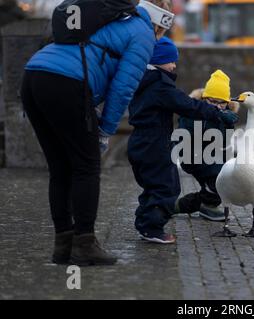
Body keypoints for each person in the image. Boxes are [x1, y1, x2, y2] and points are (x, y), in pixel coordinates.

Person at [20, 0, 173, 266]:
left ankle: (63, 246)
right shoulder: (143, 32)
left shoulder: (112, 18)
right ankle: (85, 245)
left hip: (34, 74)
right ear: (162, 20)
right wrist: (105, 130)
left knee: (60, 168)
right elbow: (124, 86)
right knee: (86, 167)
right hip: (67, 81)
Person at [127, 38, 239, 244]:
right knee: (166, 186)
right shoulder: (160, 85)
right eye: (170, 60)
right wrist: (215, 113)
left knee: (154, 185)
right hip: (155, 144)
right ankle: (151, 227)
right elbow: (187, 105)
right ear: (158, 60)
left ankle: (146, 222)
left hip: (143, 141)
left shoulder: (145, 81)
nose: (174, 65)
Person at [178, 70, 237, 222]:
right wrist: (211, 117)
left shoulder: (226, 115)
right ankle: (207, 205)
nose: (217, 106)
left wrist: (228, 125)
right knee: (217, 180)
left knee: (227, 179)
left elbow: (224, 143)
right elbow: (186, 137)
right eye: (212, 101)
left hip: (213, 154)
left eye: (221, 103)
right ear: (204, 98)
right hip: (192, 153)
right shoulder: (193, 111)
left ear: (227, 102)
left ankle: (180, 206)